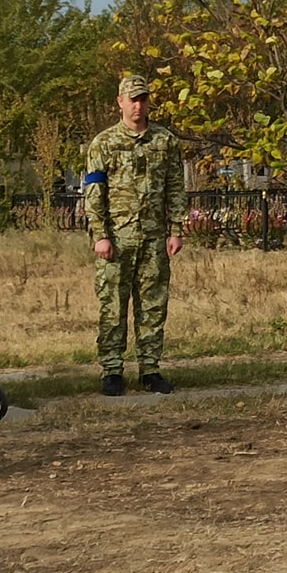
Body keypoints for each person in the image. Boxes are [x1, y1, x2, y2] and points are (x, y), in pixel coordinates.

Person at [84, 75, 186, 395]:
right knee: (113, 305)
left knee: (153, 306)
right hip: (117, 238)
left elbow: (174, 187)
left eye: (142, 98)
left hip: (155, 238)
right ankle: (112, 370)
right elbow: (94, 193)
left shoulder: (165, 141)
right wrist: (100, 235)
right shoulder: (104, 143)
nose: (138, 105)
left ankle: (150, 369)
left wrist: (176, 229)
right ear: (120, 102)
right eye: (132, 99)